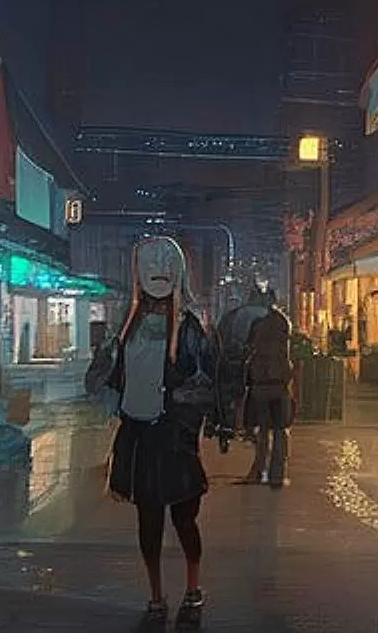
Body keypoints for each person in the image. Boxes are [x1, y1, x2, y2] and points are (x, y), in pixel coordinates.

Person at [86, 236, 219, 626]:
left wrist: (185, 410)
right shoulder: (127, 326)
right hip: (139, 437)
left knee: (184, 519)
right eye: (150, 263)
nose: (158, 269)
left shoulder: (189, 327)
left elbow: (206, 382)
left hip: (175, 440)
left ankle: (193, 590)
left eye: (166, 262)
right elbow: (102, 379)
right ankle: (156, 596)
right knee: (149, 524)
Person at [242, 287, 294, 487]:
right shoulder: (283, 321)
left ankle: (258, 471)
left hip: (261, 383)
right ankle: (277, 474)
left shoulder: (257, 323)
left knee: (263, 430)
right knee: (280, 430)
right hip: (280, 383)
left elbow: (249, 347)